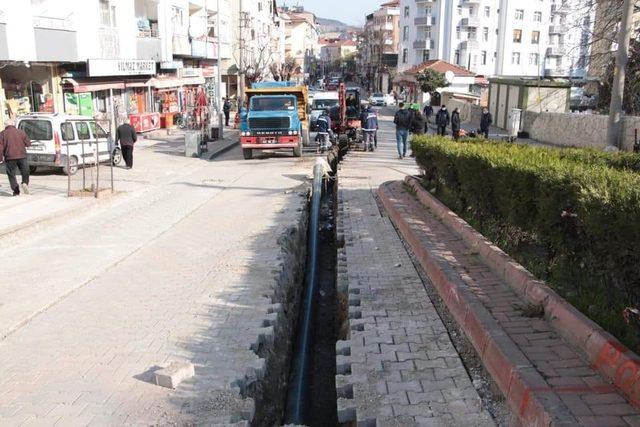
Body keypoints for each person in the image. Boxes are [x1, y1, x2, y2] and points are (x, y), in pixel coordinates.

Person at [0, 118, 31, 196]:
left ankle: (16, 191)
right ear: (13, 124)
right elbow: (28, 144)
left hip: (9, 157)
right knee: (25, 171)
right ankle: (25, 183)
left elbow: (0, 148)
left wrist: (0, 158)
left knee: (11, 174)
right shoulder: (21, 132)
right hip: (22, 156)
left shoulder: (2, 134)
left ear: (6, 125)